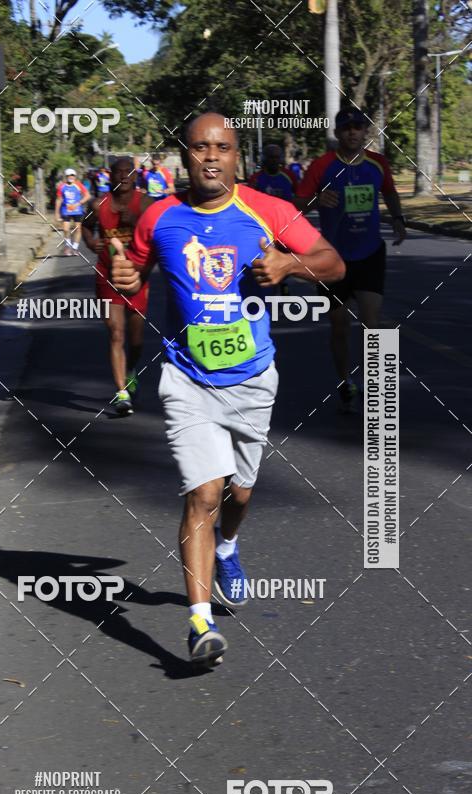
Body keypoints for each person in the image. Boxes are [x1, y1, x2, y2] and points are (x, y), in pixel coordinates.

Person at [111, 112, 344, 665]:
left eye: (222, 148)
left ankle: (230, 547)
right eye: (199, 148)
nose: (210, 158)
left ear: (236, 155)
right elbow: (139, 272)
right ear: (185, 155)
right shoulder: (160, 217)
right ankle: (199, 624)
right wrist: (128, 280)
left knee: (239, 494)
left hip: (252, 381)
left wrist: (290, 263)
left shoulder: (268, 210)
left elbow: (332, 264)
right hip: (187, 378)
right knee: (205, 494)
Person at [296, 107, 406, 411]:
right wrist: (317, 200)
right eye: (346, 128)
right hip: (331, 258)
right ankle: (346, 381)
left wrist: (397, 217)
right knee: (339, 326)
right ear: (337, 132)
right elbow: (297, 204)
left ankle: (377, 385)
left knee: (372, 323)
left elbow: (390, 192)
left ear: (366, 131)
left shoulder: (378, 163)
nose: (352, 132)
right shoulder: (322, 166)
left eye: (358, 127)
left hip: (369, 252)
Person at [82, 157, 152, 416]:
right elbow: (86, 227)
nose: (123, 176)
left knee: (135, 341)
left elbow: (156, 233)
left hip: (136, 276)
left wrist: (134, 222)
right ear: (109, 176)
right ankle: (121, 393)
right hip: (106, 275)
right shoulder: (98, 204)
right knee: (116, 334)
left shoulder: (145, 203)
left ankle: (131, 371)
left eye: (128, 172)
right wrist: (91, 243)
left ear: (135, 177)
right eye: (118, 172)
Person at [55, 168, 91, 256]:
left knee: (78, 229)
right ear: (66, 176)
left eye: (72, 175)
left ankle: (75, 248)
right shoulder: (61, 187)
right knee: (66, 229)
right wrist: (56, 213)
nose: (71, 177)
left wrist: (78, 203)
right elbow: (59, 200)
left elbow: (87, 196)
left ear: (75, 176)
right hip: (65, 211)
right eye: (69, 175)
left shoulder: (78, 185)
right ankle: (68, 246)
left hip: (77, 211)